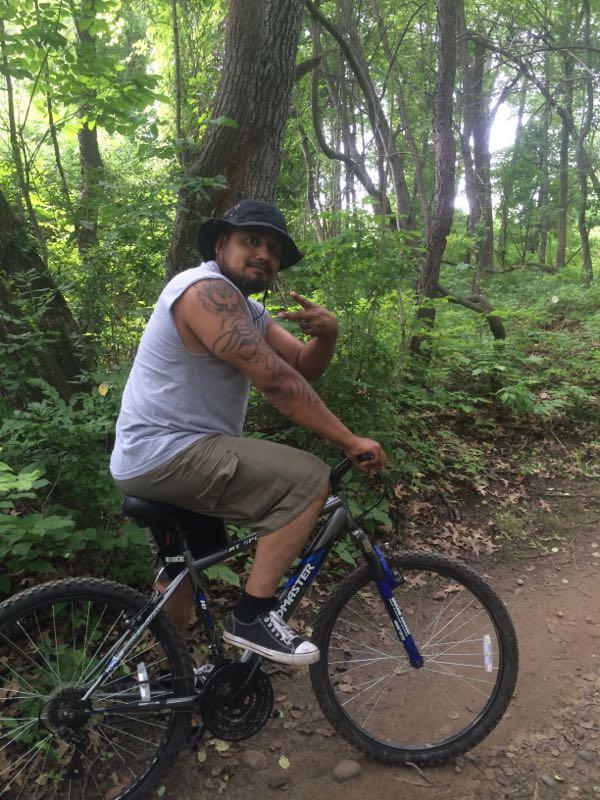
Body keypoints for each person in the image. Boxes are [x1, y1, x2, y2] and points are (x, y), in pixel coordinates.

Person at [110, 199, 387, 666]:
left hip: (159, 456)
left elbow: (300, 365)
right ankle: (254, 616)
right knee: (308, 479)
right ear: (221, 244)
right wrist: (349, 440)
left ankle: (166, 678)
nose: (263, 253)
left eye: (274, 249)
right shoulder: (204, 291)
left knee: (184, 571)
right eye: (251, 241)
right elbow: (278, 382)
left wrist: (328, 336)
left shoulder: (248, 311)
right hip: (169, 452)